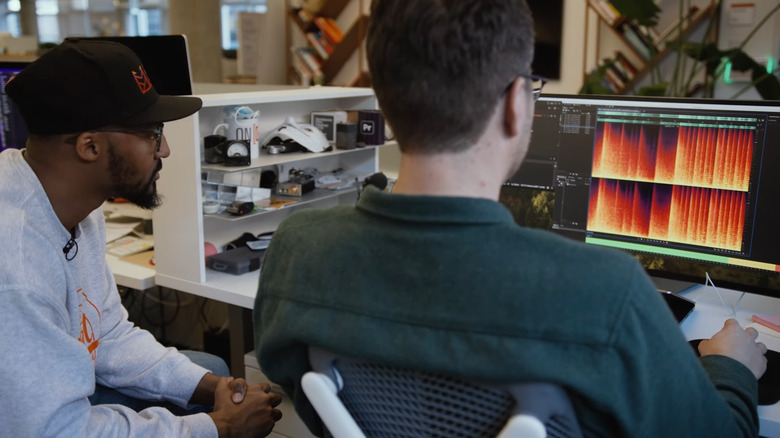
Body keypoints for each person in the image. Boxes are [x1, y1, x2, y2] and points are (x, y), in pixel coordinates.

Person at [253, 0, 767, 437]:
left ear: (383, 97)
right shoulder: (605, 292)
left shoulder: (297, 249)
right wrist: (730, 367)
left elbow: (311, 398)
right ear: (518, 104)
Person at [0, 39, 282, 437]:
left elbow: (108, 335)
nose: (165, 149)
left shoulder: (77, 204)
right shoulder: (15, 264)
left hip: (43, 403)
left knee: (214, 371)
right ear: (90, 146)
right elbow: (58, 432)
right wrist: (217, 427)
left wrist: (214, 391)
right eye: (152, 133)